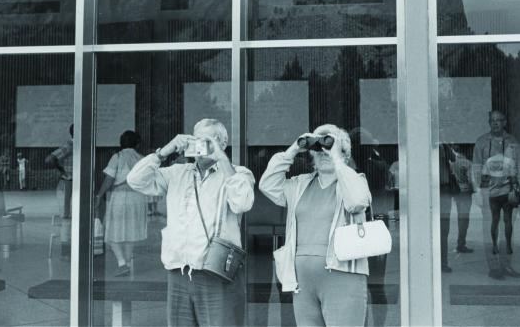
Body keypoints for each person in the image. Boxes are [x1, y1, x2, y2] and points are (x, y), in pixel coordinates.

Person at [127, 119, 255, 326]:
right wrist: (164, 152)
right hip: (179, 271)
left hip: (216, 270)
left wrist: (220, 158)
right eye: (197, 139)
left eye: (209, 139)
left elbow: (243, 203)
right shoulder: (177, 173)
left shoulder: (238, 173)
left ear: (223, 143)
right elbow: (135, 180)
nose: (201, 145)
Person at [259, 124, 371, 327]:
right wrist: (294, 149)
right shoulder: (300, 184)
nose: (324, 153)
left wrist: (337, 159)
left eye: (330, 147)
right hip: (302, 280)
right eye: (318, 149)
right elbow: (268, 185)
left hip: (342, 275)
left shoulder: (354, 180)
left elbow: (357, 201)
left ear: (345, 154)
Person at [474, 110, 520, 279]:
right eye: (492, 120)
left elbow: (518, 166)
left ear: (504, 122)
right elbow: (476, 168)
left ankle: (506, 265)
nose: (495, 123)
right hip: (489, 192)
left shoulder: (512, 141)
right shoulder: (481, 142)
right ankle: (494, 268)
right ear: (489, 122)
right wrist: (478, 191)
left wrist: (518, 189)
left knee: (508, 229)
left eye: (499, 120)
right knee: (491, 229)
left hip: (508, 191)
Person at [94, 130, 148, 277]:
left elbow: (109, 180)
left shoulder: (117, 157)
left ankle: (122, 263)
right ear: (137, 143)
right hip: (138, 198)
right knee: (130, 232)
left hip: (120, 196)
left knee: (111, 231)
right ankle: (128, 264)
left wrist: (99, 195)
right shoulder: (142, 159)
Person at [439, 143, 475, 273]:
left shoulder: (444, 151)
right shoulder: (465, 162)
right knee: (460, 219)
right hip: (454, 191)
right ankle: (460, 244)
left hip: (445, 191)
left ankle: (441, 260)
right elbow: (471, 179)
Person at [45, 124, 73, 259]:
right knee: (67, 219)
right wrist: (62, 171)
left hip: (77, 186)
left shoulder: (81, 147)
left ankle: (74, 249)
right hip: (68, 186)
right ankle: (65, 252)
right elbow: (50, 159)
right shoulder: (70, 146)